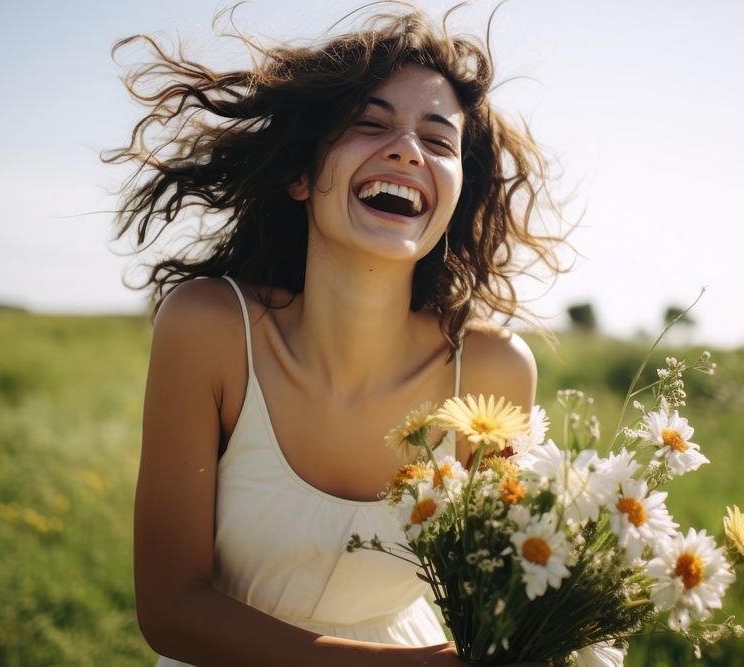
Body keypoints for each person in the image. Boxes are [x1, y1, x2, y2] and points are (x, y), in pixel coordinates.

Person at [106, 5, 563, 665]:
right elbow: (171, 606)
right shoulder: (208, 328)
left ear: (457, 190)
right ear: (299, 173)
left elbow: (503, 595)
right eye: (369, 124)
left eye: (438, 141)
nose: (407, 148)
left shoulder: (493, 373)